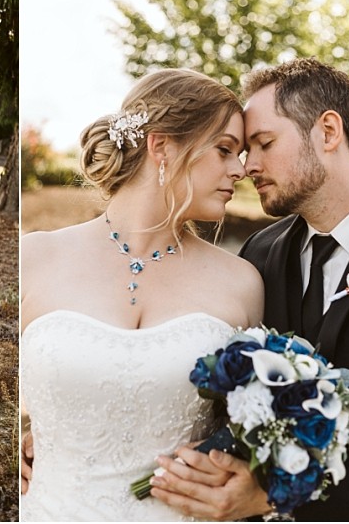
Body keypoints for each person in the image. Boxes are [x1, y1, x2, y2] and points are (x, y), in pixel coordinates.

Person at [148, 58, 349, 521]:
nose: (247, 166)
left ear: (329, 131)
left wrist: (275, 494)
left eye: (264, 144)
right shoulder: (260, 253)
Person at [20, 68, 264, 521]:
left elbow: (246, 427)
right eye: (226, 150)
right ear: (161, 146)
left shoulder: (242, 282)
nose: (242, 170)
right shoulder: (34, 259)